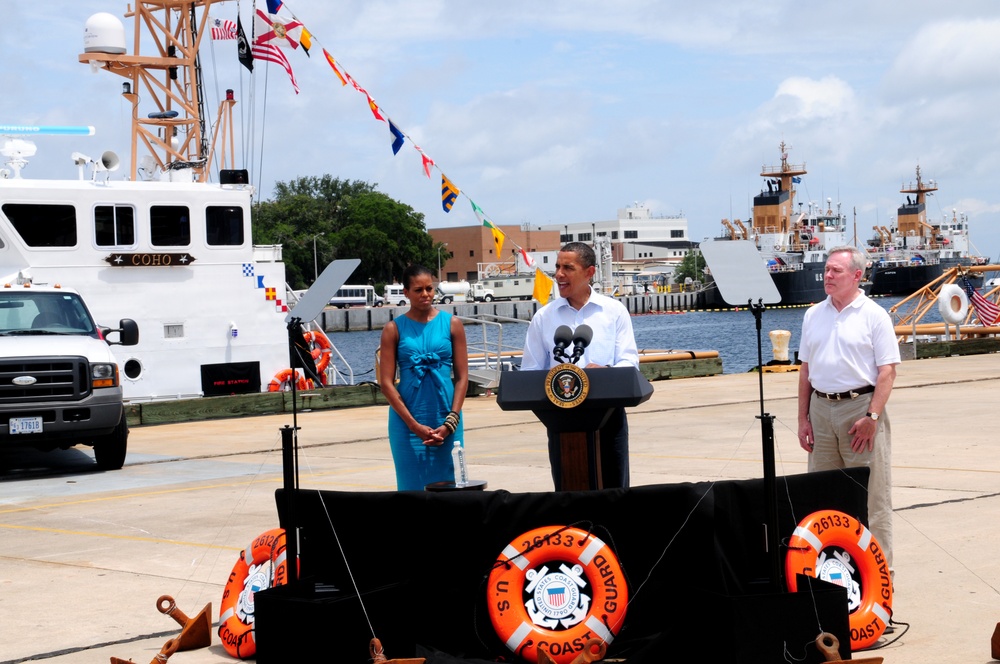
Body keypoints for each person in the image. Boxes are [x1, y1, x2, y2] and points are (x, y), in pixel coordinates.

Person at [797, 245, 900, 569]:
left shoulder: (874, 315)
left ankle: (883, 591)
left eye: (835, 271)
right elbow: (805, 371)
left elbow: (888, 371)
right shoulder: (814, 314)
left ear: (857, 275)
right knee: (823, 500)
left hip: (860, 410)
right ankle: (833, 581)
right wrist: (803, 419)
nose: (827, 275)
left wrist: (872, 416)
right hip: (821, 410)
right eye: (826, 270)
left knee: (871, 501)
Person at [521, 242, 640, 489]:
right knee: (568, 494)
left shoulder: (614, 312)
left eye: (568, 267)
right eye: (557, 267)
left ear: (589, 273)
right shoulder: (544, 317)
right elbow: (530, 373)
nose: (559, 274)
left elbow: (629, 363)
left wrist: (605, 375)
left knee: (615, 492)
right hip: (560, 419)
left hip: (608, 415)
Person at [379, 264, 469, 490]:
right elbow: (386, 383)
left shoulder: (453, 324)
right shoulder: (393, 329)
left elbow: (462, 377)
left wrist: (451, 420)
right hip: (407, 424)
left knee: (451, 491)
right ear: (406, 293)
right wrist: (413, 425)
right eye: (418, 290)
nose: (426, 294)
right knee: (411, 493)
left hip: (447, 421)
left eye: (429, 288)